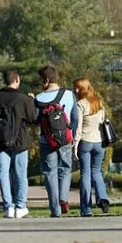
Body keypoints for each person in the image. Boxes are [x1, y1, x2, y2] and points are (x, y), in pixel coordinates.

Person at [0, 69, 37, 219]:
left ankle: (8, 206)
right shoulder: (23, 99)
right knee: (20, 174)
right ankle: (20, 206)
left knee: (3, 173)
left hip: (0, 140)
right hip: (19, 139)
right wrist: (31, 102)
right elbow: (32, 119)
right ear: (17, 80)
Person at [35, 66, 78, 218]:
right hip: (65, 138)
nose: (40, 82)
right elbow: (75, 117)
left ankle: (55, 209)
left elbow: (35, 120)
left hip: (46, 140)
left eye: (41, 79)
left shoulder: (38, 98)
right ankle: (63, 199)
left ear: (46, 80)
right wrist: (70, 132)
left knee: (49, 173)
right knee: (65, 169)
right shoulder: (69, 94)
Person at [73, 78, 109, 217]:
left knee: (86, 175)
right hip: (99, 142)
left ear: (82, 88)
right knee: (97, 172)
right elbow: (103, 121)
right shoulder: (99, 102)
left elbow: (78, 127)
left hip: (85, 141)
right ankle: (103, 198)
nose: (74, 90)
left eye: (76, 88)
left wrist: (75, 145)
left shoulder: (80, 104)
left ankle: (86, 209)